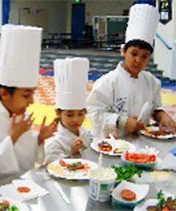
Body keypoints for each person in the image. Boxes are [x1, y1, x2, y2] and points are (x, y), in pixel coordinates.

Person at [0, 24, 57, 176]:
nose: (31, 101)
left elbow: (26, 154)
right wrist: (13, 136)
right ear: (4, 93)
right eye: (26, 95)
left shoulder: (19, 113)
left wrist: (39, 138)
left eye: (32, 94)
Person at [86, 3, 176, 138]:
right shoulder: (107, 82)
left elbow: (155, 108)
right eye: (134, 54)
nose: (138, 60)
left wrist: (163, 116)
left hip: (141, 143)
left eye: (144, 56)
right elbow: (93, 112)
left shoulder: (152, 82)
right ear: (123, 51)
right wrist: (121, 121)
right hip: (111, 145)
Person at [44, 58, 93, 164]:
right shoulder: (54, 142)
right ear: (58, 113)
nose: (76, 119)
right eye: (69, 115)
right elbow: (54, 167)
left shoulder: (85, 132)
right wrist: (73, 154)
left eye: (81, 114)